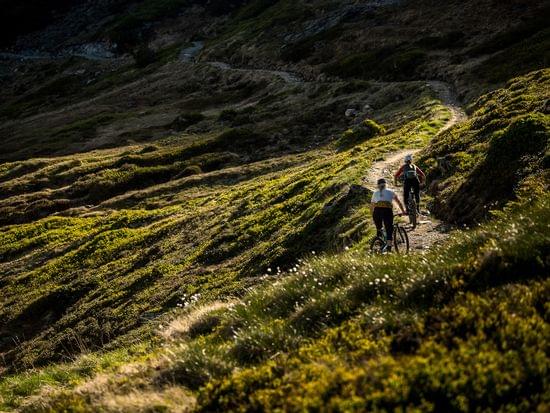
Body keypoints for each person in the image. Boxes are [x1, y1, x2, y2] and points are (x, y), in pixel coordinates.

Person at [371, 178, 406, 252]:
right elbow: (399, 202)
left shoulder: (375, 193)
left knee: (379, 229)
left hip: (376, 212)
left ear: (378, 185)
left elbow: (372, 206)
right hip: (387, 211)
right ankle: (389, 249)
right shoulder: (391, 192)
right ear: (385, 185)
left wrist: (372, 215)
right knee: (389, 229)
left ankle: (380, 245)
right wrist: (403, 211)